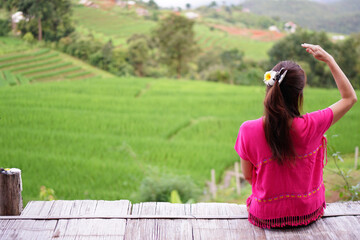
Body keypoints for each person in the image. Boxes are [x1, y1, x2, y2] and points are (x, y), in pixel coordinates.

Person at [234, 43, 357, 228]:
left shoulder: (248, 129)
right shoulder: (314, 124)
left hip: (265, 216)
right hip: (309, 212)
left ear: (270, 87)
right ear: (299, 94)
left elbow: (248, 176)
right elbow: (349, 98)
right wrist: (330, 60)